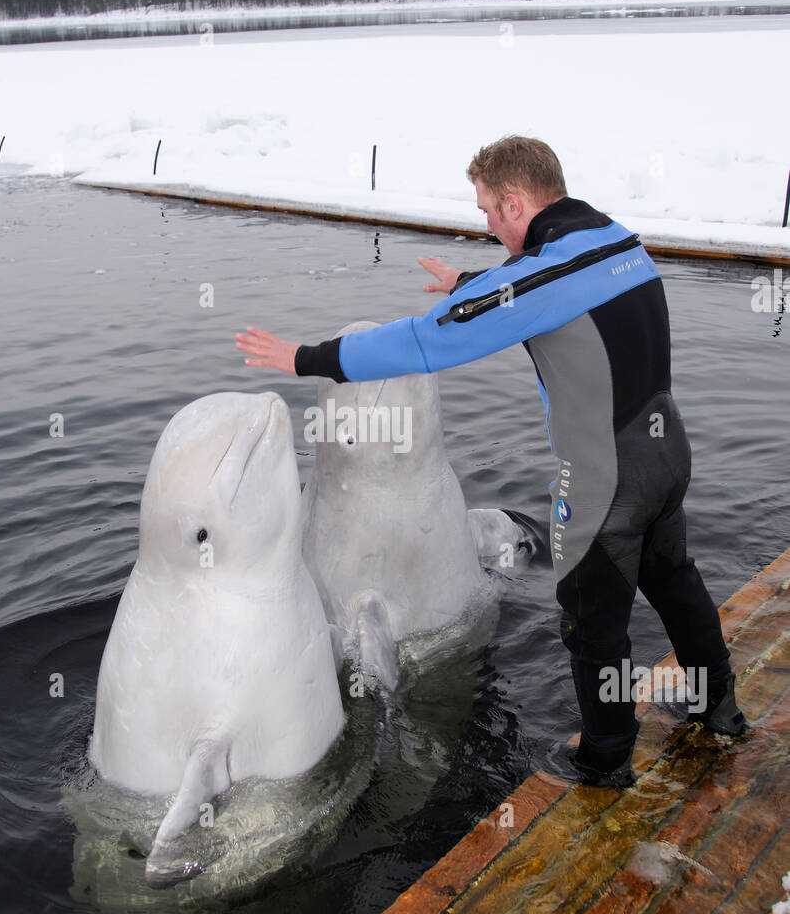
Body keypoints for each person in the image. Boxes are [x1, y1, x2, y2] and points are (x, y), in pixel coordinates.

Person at [235, 135, 746, 787]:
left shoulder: (538, 277)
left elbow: (428, 342)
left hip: (602, 475)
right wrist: (470, 283)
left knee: (592, 621)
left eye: (485, 210)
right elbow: (547, 284)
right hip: (667, 454)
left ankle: (604, 758)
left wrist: (306, 358)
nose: (483, 223)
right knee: (674, 581)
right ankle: (718, 708)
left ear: (513, 201)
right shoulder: (615, 239)